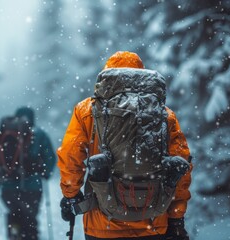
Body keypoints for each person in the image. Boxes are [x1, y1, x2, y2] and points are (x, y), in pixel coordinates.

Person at [57, 51, 193, 240]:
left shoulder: (87, 110)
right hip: (153, 221)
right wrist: (177, 217)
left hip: (102, 225)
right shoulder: (164, 114)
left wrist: (71, 195)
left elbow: (71, 157)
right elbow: (181, 166)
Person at [0, 107, 56, 240]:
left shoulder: (3, 133)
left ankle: (14, 233)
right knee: (30, 218)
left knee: (13, 214)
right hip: (32, 188)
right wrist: (46, 172)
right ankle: (29, 236)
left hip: (8, 187)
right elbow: (50, 157)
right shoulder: (39, 134)